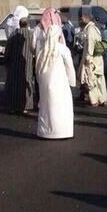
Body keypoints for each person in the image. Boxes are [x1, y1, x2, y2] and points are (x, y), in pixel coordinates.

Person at [33, 9, 76, 139]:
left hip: (45, 83)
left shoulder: (42, 51)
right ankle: (62, 132)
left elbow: (38, 68)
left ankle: (46, 131)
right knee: (62, 106)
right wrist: (72, 82)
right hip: (60, 83)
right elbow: (69, 67)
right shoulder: (62, 49)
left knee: (46, 107)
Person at [4, 17, 36, 114]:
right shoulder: (31, 35)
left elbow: (7, 51)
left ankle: (13, 106)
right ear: (28, 24)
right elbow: (35, 50)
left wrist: (7, 62)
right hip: (27, 63)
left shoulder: (12, 35)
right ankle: (25, 107)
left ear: (19, 24)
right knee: (27, 83)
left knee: (13, 84)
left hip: (14, 64)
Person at [79, 8, 107, 106]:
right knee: (100, 79)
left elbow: (90, 45)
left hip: (92, 58)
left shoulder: (90, 29)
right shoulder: (96, 28)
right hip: (98, 57)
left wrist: (88, 58)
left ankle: (94, 100)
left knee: (90, 78)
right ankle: (102, 98)